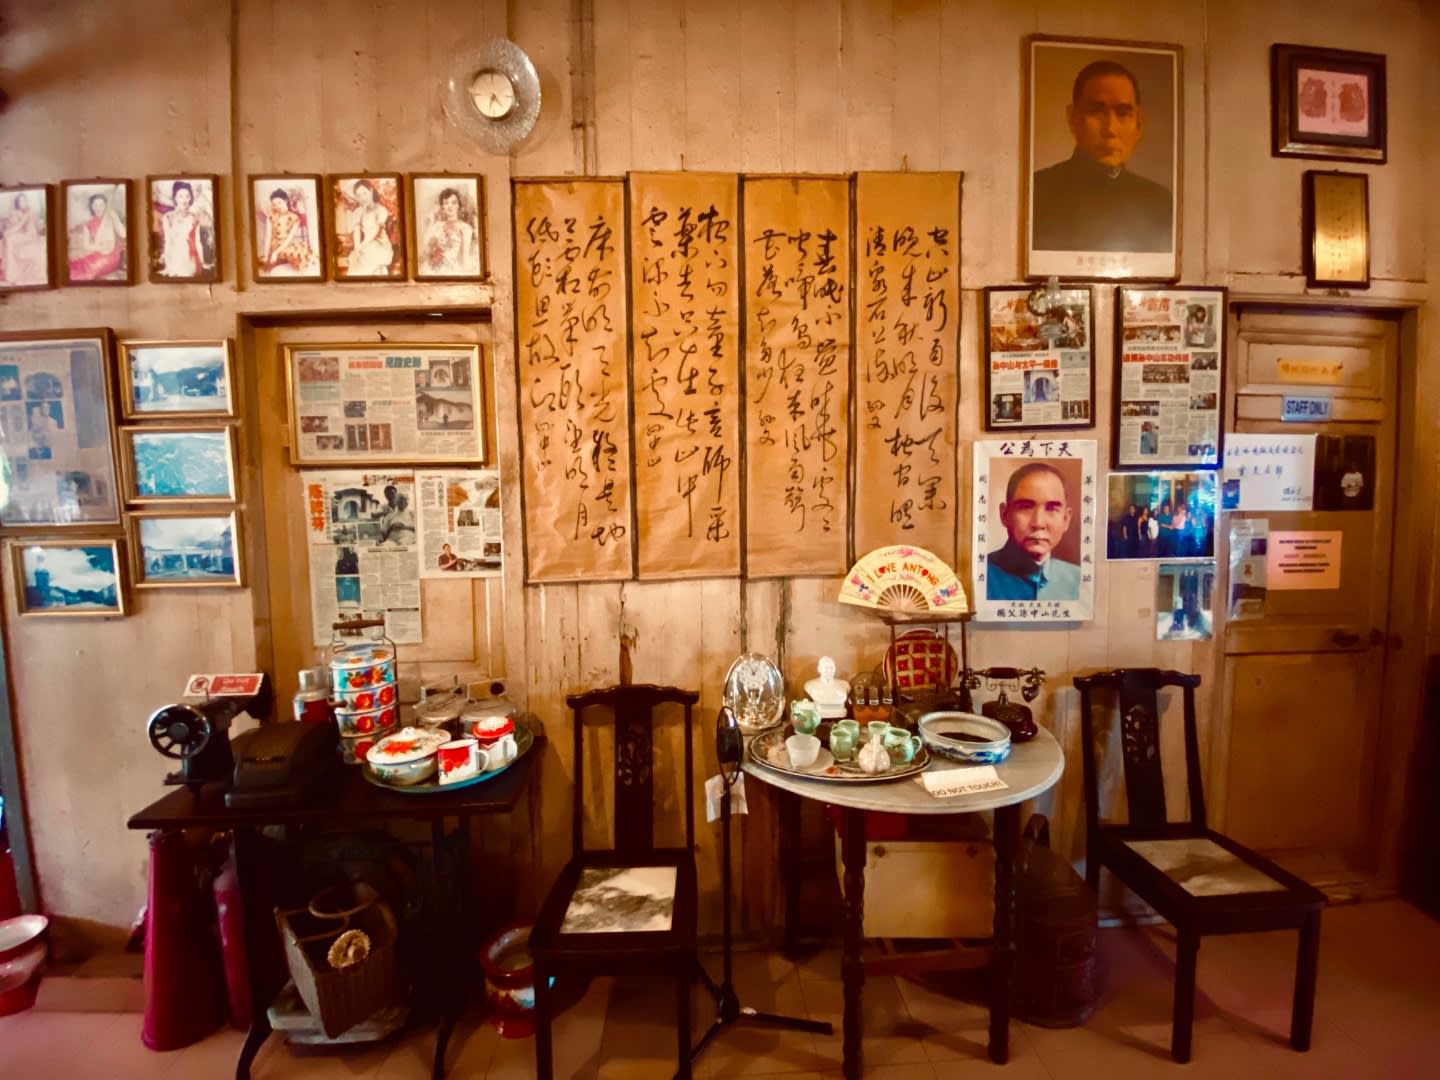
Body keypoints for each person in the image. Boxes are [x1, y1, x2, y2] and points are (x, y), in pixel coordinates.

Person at [1031, 60, 1172, 253]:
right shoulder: (1035, 193)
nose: (1110, 129)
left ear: (1139, 124)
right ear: (1073, 118)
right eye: (1096, 111)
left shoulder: (1160, 203)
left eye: (1123, 113)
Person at [987, 462, 1081, 601]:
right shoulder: (982, 574)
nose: (1038, 523)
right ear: (1005, 514)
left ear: (1066, 519)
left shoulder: (1078, 580)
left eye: (1051, 509)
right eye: (1025, 507)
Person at [68, 191, 127, 281]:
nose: (98, 207)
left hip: (111, 256)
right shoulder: (88, 224)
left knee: (90, 269)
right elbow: (86, 246)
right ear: (91, 206)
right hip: (97, 254)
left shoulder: (110, 217)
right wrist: (100, 247)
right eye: (95, 204)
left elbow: (123, 234)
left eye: (101, 205)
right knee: (74, 267)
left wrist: (115, 218)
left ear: (105, 206)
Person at [420, 187, 478, 276]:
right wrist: (431, 221)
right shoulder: (437, 225)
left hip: (453, 269)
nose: (450, 206)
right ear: (442, 207)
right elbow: (425, 245)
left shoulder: (465, 228)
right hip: (434, 269)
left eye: (453, 202)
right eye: (446, 203)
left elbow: (464, 259)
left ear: (458, 205)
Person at [156, 180, 208, 279]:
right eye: (181, 196)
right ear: (175, 198)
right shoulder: (168, 217)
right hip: (174, 256)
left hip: (191, 257)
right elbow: (168, 241)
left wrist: (202, 261)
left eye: (187, 196)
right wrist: (166, 258)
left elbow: (197, 241)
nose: (184, 200)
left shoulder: (195, 217)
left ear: (191, 198)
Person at [259, 188, 316, 274]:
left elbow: (289, 238)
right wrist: (266, 255)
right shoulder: (270, 217)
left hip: (287, 245)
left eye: (279, 202)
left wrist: (276, 253)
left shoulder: (295, 218)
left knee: (304, 251)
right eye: (274, 204)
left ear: (285, 201)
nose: (277, 206)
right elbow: (268, 237)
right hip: (275, 246)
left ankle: (303, 274)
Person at [346, 179, 393, 276]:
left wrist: (363, 245)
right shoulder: (358, 211)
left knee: (368, 257)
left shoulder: (381, 210)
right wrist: (357, 247)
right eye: (359, 195)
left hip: (379, 243)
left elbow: (376, 231)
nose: (362, 198)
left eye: (364, 193)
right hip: (365, 243)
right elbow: (356, 230)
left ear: (371, 191)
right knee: (357, 259)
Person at [1, 192, 47, 287]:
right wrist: (22, 220)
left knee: (10, 239)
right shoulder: (15, 214)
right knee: (9, 239)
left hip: (28, 236)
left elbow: (32, 232)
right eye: (21, 201)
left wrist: (27, 219)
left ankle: (14, 276)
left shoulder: (31, 213)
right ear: (17, 203)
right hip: (18, 236)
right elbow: (11, 231)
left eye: (25, 201)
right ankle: (11, 275)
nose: (24, 203)